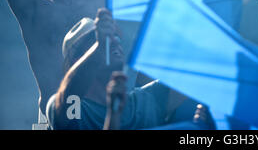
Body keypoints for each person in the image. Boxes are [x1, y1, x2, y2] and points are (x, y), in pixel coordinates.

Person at [47, 8, 188, 130]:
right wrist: (100, 49)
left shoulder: (147, 101)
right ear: (78, 61)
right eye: (96, 40)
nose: (113, 41)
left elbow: (196, 74)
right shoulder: (77, 111)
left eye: (115, 37)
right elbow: (70, 94)